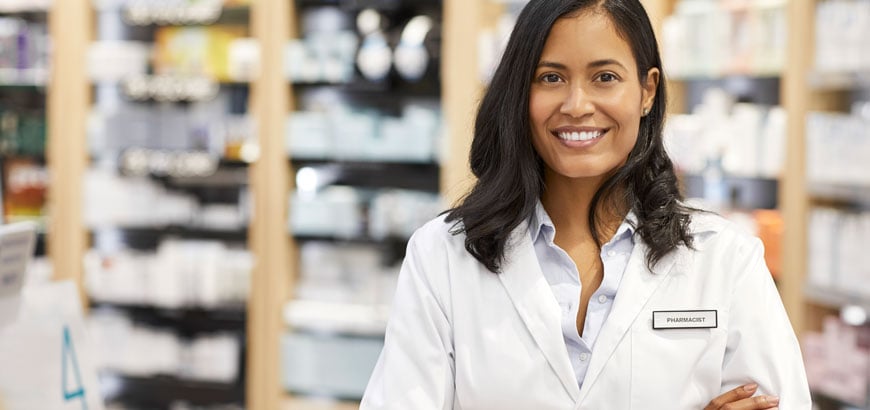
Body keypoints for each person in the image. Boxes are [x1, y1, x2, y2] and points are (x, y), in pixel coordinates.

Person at [360, 0, 811, 409]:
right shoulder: (443, 256)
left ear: (647, 91)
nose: (577, 105)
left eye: (605, 77)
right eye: (550, 77)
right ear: (521, 92)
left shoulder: (724, 258)